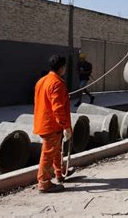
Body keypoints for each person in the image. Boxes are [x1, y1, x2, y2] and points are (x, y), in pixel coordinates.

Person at [34, 55, 74, 193]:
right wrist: (66, 126)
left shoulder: (42, 81)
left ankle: (59, 172)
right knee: (48, 153)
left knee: (56, 150)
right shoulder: (57, 83)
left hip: (43, 122)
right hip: (52, 125)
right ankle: (44, 183)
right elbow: (57, 109)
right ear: (62, 67)